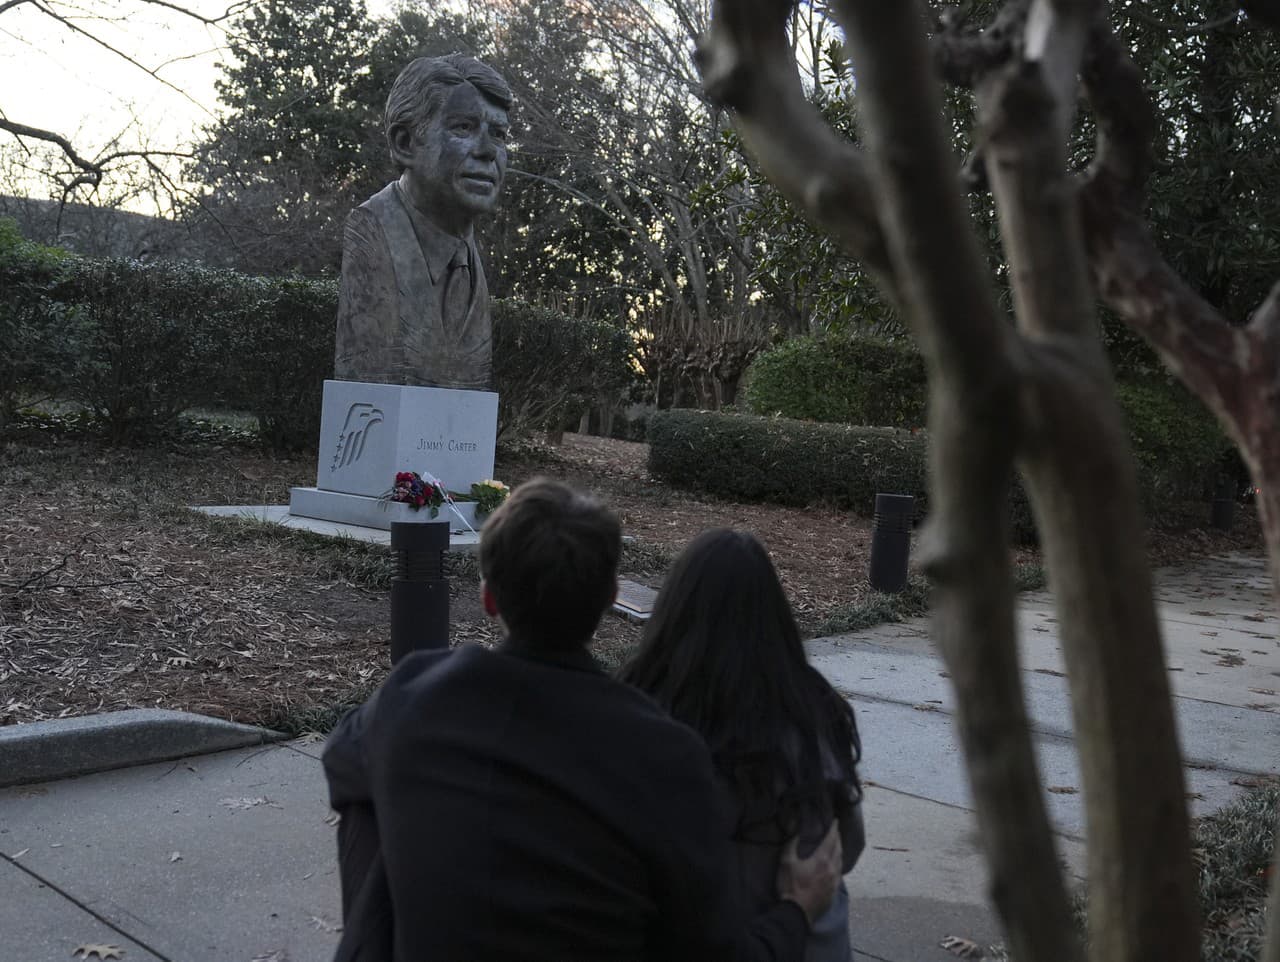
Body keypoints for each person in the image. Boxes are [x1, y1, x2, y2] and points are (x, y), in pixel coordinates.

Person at [322, 479, 843, 961]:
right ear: (609, 599)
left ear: (488, 599)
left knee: (368, 799)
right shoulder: (667, 755)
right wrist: (797, 909)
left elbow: (343, 763)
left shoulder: (411, 697)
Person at [618, 529, 865, 962]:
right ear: (775, 619)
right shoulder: (813, 713)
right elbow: (846, 850)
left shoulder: (637, 712)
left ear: (672, 612)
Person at [334, 54, 511, 391]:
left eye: (499, 134)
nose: (489, 151)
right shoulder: (374, 231)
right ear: (405, 143)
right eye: (464, 127)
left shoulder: (468, 255)